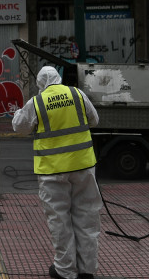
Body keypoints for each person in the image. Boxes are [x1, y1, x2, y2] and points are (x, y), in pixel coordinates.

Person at [12, 66, 102, 279]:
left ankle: (64, 270)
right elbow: (94, 120)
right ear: (58, 79)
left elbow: (19, 127)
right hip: (83, 166)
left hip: (53, 171)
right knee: (87, 218)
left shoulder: (37, 102)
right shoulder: (77, 94)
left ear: (40, 84)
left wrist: (17, 113)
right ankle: (87, 270)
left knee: (60, 221)